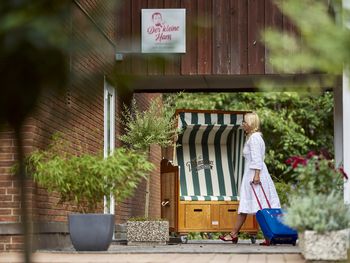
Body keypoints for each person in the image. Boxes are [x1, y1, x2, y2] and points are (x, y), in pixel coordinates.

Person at [219, 112, 281, 244]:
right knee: (253, 205)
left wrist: (257, 175)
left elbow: (257, 158)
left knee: (261, 206)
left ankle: (237, 234)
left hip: (255, 175)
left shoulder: (254, 139)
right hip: (252, 174)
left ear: (251, 124)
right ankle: (237, 234)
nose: (243, 125)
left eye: (244, 122)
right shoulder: (254, 137)